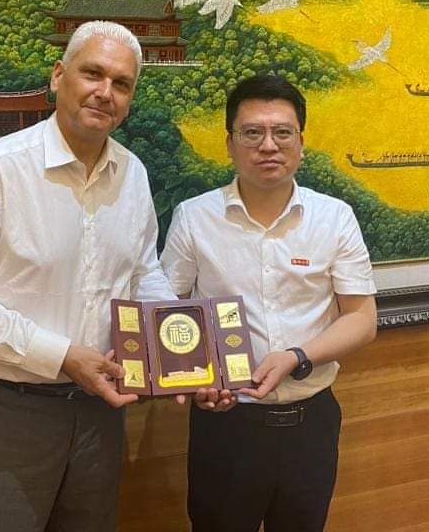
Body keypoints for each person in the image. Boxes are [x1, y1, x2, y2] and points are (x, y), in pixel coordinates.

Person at [0, 21, 176, 532]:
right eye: (92, 74)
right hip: (9, 411)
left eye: (121, 83)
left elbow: (143, 273)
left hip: (101, 411)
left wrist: (184, 355)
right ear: (59, 76)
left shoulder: (133, 174)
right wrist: (60, 355)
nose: (105, 92)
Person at [161, 73, 378, 532]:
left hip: (311, 422)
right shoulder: (194, 218)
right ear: (230, 143)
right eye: (252, 133)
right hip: (225, 425)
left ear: (301, 142)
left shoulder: (334, 217)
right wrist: (198, 380)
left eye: (282, 132)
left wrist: (297, 356)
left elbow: (361, 319)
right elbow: (169, 314)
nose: (268, 146)